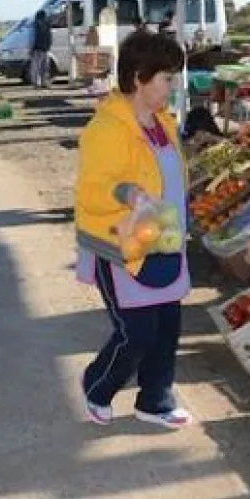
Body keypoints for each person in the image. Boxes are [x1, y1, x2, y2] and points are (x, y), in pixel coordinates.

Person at [74, 30, 194, 430]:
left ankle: (155, 400)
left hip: (164, 237)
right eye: (166, 78)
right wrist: (124, 191)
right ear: (140, 77)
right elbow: (91, 189)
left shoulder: (164, 123)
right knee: (137, 332)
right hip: (121, 243)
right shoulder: (107, 128)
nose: (171, 87)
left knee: (167, 328)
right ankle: (97, 385)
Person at [30, 10, 53, 89]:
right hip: (46, 48)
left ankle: (36, 83)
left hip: (37, 48)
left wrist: (31, 48)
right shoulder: (47, 24)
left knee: (36, 67)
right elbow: (50, 36)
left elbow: (33, 37)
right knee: (45, 67)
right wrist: (49, 45)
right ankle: (44, 82)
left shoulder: (35, 24)